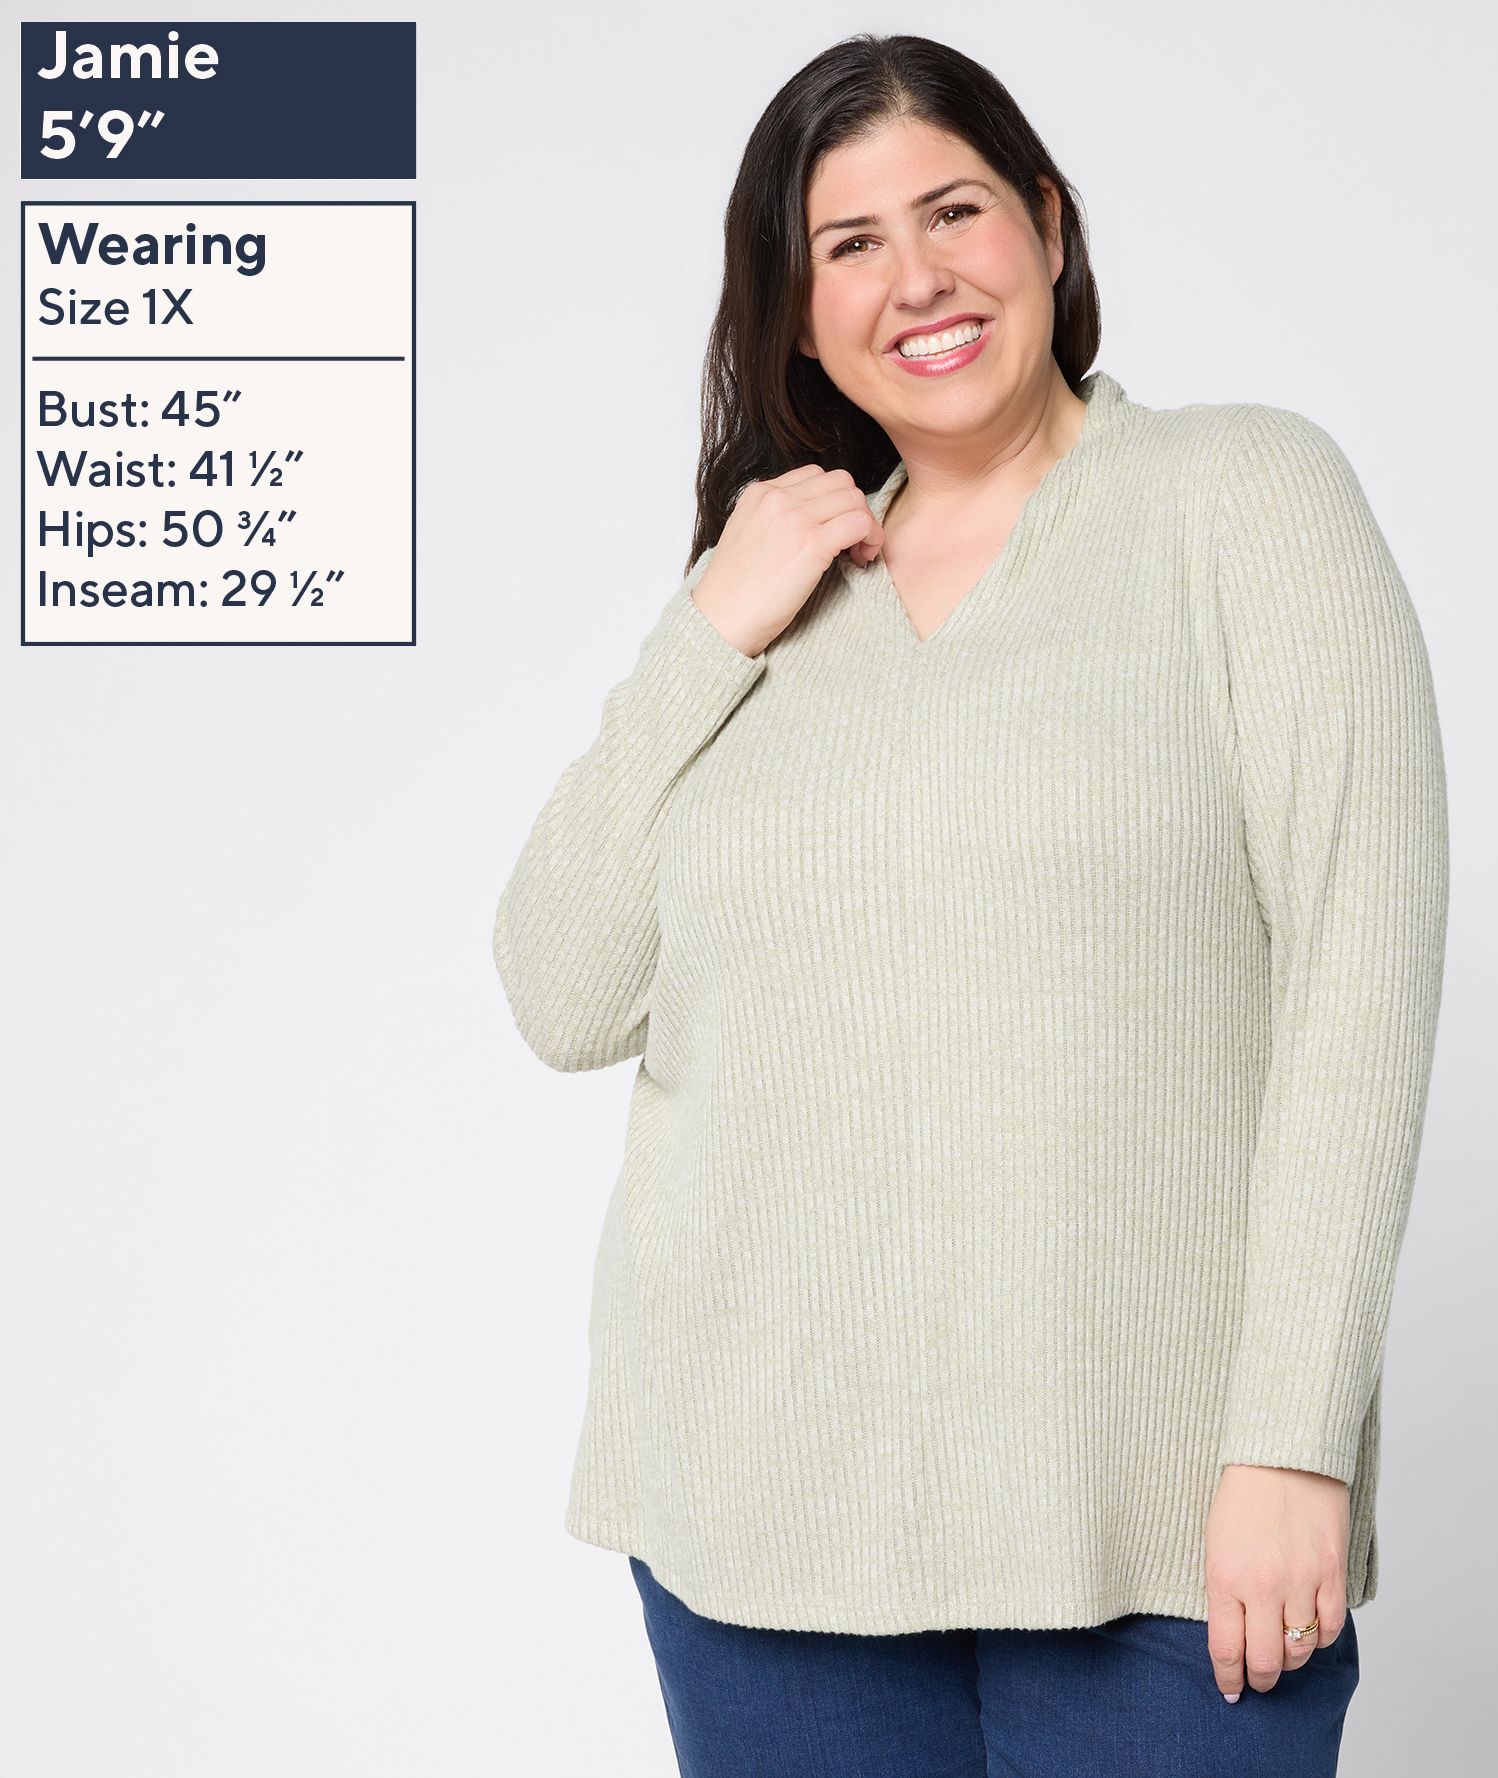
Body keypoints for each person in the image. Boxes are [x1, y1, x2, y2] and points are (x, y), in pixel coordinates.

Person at [492, 32, 1448, 1777]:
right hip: (758, 1521)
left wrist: (1296, 1436)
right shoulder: (772, 597)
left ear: (1050, 229)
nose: (917, 277)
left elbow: (1358, 982)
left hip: (1164, 1518)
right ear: (795, 315)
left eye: (954, 211)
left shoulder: (1242, 497)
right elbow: (562, 989)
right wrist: (711, 620)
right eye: (850, 243)